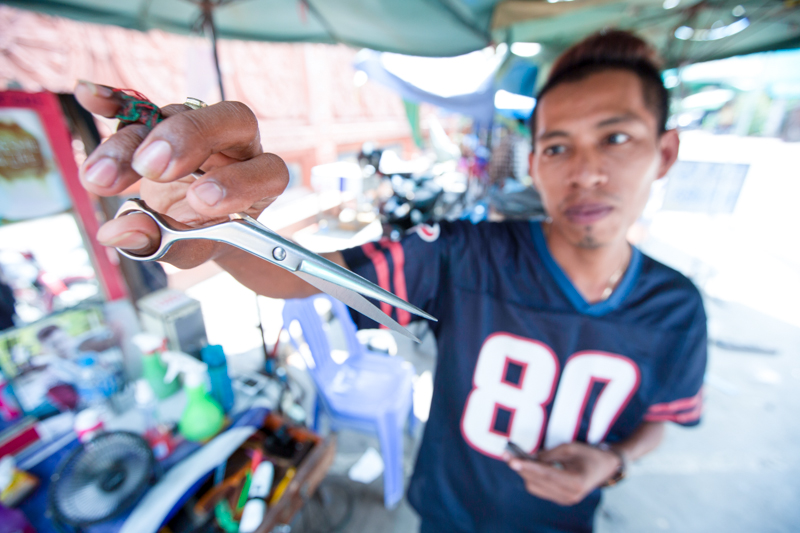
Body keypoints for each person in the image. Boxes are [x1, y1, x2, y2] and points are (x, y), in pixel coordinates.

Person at [75, 30, 706, 533]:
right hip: (445, 515)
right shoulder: (465, 253)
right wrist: (218, 223)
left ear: (665, 152)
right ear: (534, 160)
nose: (588, 172)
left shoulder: (676, 308)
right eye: (559, 147)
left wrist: (615, 462)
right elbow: (301, 279)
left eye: (617, 138)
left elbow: (662, 417)